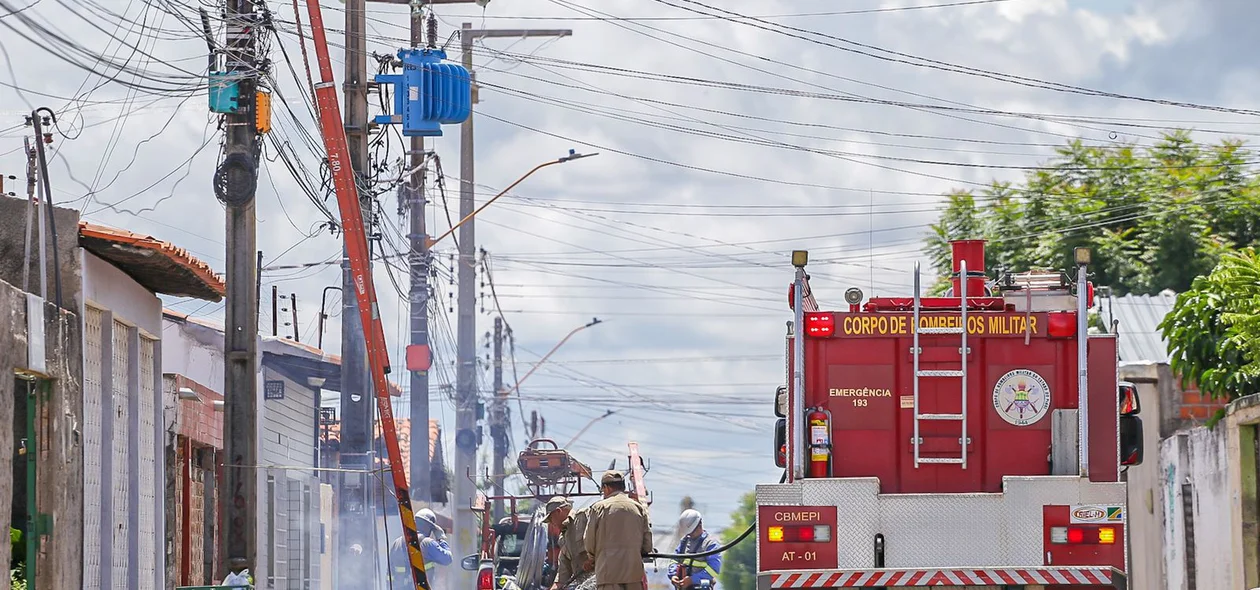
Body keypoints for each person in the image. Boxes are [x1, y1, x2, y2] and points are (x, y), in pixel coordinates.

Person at [583, 470, 653, 590]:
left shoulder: (599, 508)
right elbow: (647, 545)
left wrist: (592, 559)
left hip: (608, 576)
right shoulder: (638, 508)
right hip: (634, 576)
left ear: (606, 488)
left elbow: (589, 542)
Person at [389, 508, 454, 590]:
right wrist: (440, 539)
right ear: (429, 527)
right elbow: (447, 559)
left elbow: (389, 574)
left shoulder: (396, 543)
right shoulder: (426, 543)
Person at [667, 509, 722, 590]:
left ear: (700, 525)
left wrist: (692, 580)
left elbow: (713, 569)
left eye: (692, 532)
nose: (689, 534)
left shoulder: (710, 544)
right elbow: (674, 560)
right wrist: (673, 575)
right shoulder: (685, 541)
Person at [550, 497, 592, 590]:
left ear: (558, 511)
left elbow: (605, 540)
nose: (552, 524)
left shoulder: (585, 517)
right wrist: (556, 586)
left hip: (602, 579)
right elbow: (563, 574)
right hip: (584, 585)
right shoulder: (563, 539)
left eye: (551, 519)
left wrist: (592, 559)